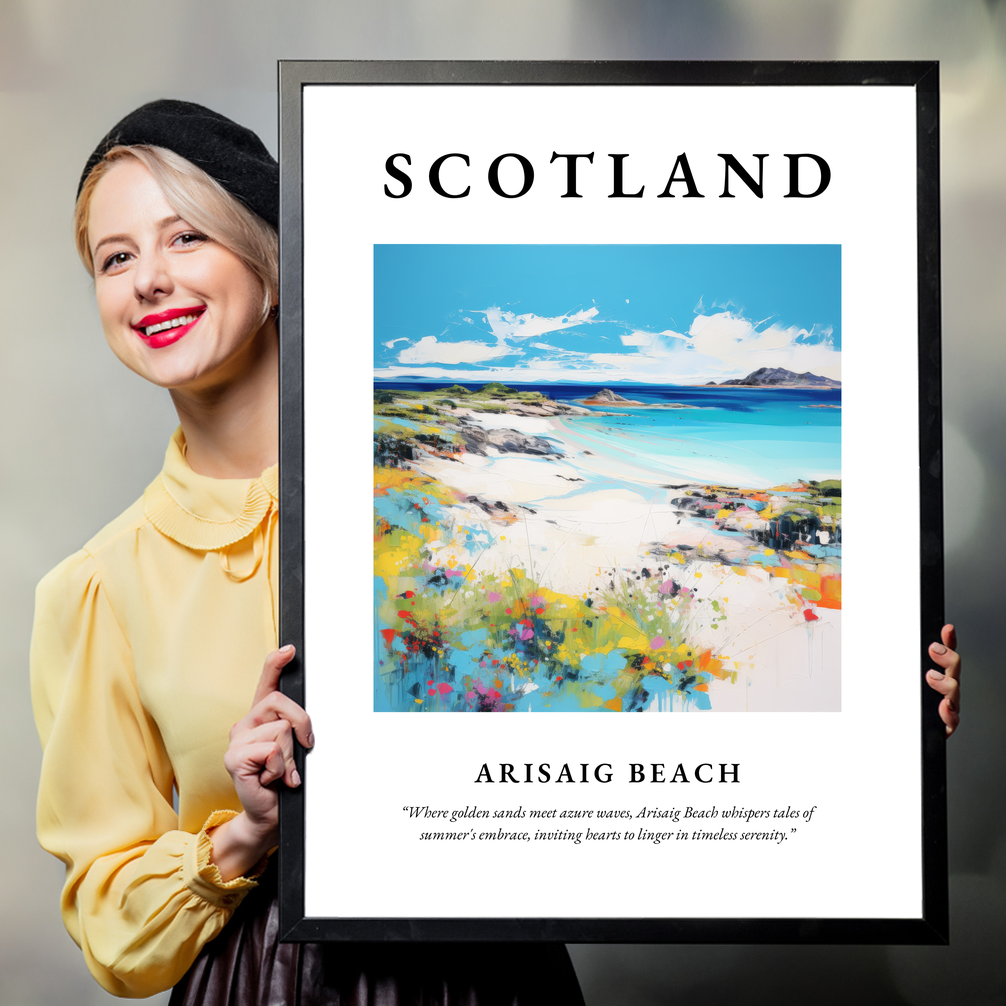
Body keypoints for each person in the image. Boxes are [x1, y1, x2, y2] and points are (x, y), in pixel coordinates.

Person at [30, 100, 586, 1004]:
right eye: (116, 257)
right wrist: (245, 832)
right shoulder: (97, 587)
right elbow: (110, 923)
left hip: (492, 972)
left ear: (273, 263)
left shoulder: (449, 500)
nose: (148, 281)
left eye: (185, 238)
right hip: (262, 982)